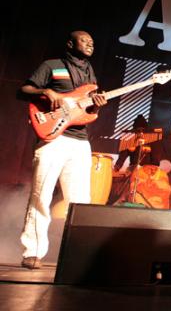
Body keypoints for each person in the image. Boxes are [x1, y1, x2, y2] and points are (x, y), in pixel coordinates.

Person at [18, 30, 107, 269]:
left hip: (79, 142)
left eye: (92, 41)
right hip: (52, 139)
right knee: (41, 195)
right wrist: (45, 91)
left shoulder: (90, 72)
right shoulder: (52, 66)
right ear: (70, 43)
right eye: (84, 40)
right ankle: (33, 252)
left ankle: (77, 255)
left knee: (80, 201)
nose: (90, 43)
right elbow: (24, 90)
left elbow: (87, 112)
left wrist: (96, 108)